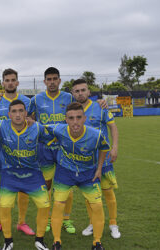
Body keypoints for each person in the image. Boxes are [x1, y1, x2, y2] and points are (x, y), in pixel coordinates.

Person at [0, 99, 52, 250]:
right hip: (10, 173)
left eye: (21, 111)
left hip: (33, 173)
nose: (18, 114)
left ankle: (39, 239)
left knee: (45, 204)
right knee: (5, 205)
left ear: (26, 113)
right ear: (9, 114)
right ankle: (8, 240)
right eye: (14, 111)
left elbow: (55, 134)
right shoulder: (1, 125)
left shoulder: (37, 128)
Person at [46, 102, 110, 250]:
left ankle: (97, 242)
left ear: (84, 118)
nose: (75, 122)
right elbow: (37, 126)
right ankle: (56, 241)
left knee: (98, 205)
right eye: (71, 118)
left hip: (88, 174)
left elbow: (104, 148)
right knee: (58, 204)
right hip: (65, 172)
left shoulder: (96, 134)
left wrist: (99, 168)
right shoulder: (58, 129)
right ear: (66, 119)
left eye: (78, 117)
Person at [0, 68, 34, 235]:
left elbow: (33, 122)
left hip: (23, 151)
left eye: (13, 80)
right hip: (1, 150)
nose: (10, 83)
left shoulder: (27, 102)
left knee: (23, 186)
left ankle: (21, 222)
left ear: (17, 82)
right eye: (7, 80)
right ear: (3, 83)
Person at [28, 67, 76, 234]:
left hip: (65, 148)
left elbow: (82, 108)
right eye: (49, 79)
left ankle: (66, 219)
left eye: (55, 78)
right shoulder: (36, 99)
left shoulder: (69, 97)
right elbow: (26, 116)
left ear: (60, 80)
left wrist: (100, 101)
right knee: (46, 186)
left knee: (66, 186)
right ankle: (47, 218)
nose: (52, 82)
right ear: (45, 81)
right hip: (45, 148)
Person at [71, 79, 121, 239]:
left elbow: (113, 127)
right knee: (89, 195)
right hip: (85, 162)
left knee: (108, 192)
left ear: (88, 92)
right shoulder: (73, 111)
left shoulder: (100, 107)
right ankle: (93, 222)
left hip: (104, 159)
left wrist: (114, 147)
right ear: (73, 94)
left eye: (83, 90)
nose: (80, 93)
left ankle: (113, 224)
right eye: (77, 91)